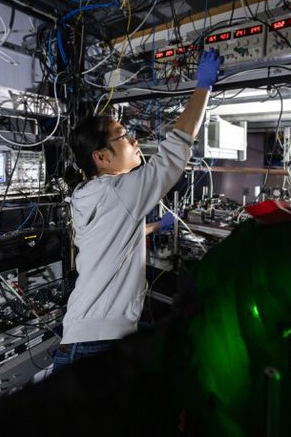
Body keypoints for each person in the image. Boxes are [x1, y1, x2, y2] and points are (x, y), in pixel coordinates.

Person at [52, 49, 223, 372]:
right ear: (101, 157)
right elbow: (174, 152)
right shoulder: (117, 192)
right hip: (96, 345)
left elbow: (111, 241)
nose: (134, 141)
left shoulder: (87, 194)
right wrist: (203, 87)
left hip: (82, 337)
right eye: (123, 136)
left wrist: (157, 227)